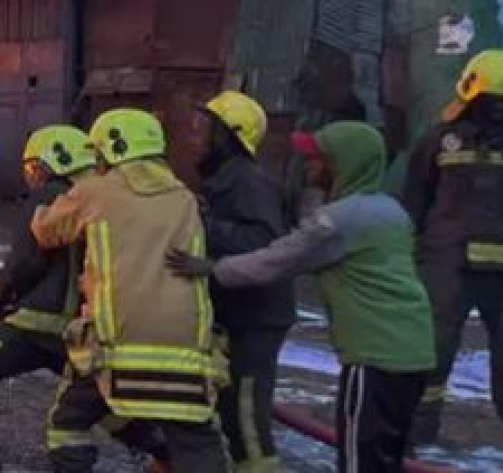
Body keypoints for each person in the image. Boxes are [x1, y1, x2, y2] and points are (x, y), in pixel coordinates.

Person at [168, 122, 435, 472]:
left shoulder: (336, 222)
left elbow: (274, 261)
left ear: (343, 164)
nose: (308, 166)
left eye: (317, 159)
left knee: (360, 461)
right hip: (414, 348)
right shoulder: (391, 211)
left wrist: (212, 269)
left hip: (375, 356)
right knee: (386, 457)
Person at [0, 125, 163, 472]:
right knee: (100, 403)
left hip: (42, 325)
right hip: (92, 331)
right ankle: (163, 451)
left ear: (51, 163)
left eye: (32, 168)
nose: (32, 178)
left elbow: (24, 265)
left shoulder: (53, 197)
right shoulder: (110, 199)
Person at [31, 108, 230, 473]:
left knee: (68, 423)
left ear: (111, 150)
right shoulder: (184, 197)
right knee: (196, 440)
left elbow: (46, 231)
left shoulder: (96, 191)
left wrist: (43, 199)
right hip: (188, 356)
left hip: (116, 350)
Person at [401, 49, 503, 445]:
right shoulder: (439, 141)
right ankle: (417, 434)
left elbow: (415, 200)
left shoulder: (441, 138)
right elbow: (415, 199)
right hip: (447, 265)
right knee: (431, 353)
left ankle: (416, 434)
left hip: (447, 263)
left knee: (432, 350)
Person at [194, 91, 295, 472]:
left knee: (248, 418)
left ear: (227, 136)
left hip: (256, 319)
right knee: (231, 412)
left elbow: (264, 244)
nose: (194, 138)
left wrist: (205, 228)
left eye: (203, 130)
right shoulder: (225, 179)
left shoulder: (249, 182)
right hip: (238, 316)